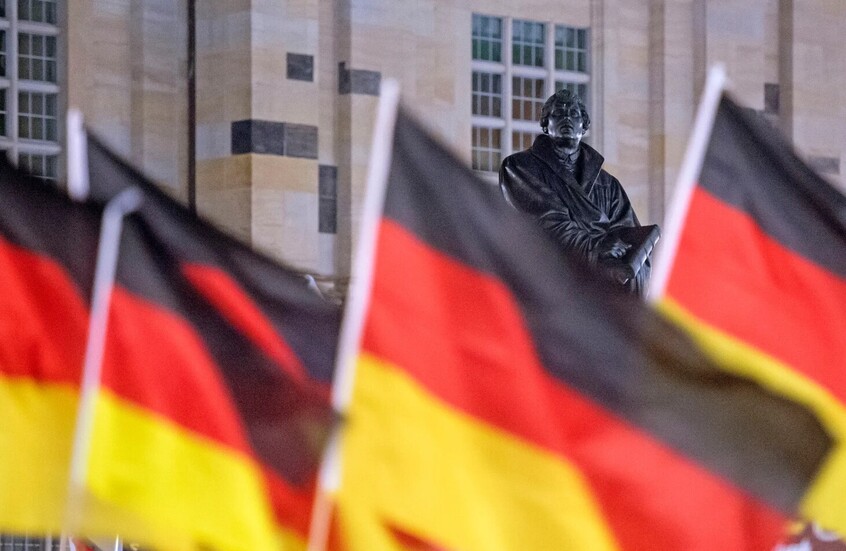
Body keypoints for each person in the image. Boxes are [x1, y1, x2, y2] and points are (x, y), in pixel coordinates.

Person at [499, 89, 653, 294]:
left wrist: (629, 262)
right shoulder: (519, 167)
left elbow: (628, 235)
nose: (567, 119)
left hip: (598, 289)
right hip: (547, 282)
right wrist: (595, 247)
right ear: (545, 124)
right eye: (558, 114)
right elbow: (548, 220)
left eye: (574, 114)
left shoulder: (608, 184)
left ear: (584, 124)